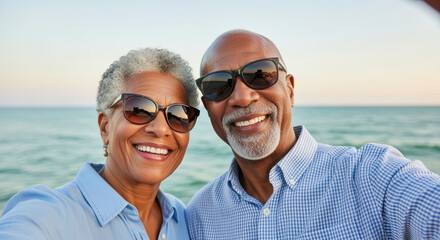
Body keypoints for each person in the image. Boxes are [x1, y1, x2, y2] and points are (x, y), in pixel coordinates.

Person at [186, 29, 440, 239]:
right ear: (208, 108)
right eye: (218, 85)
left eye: (260, 75)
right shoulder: (199, 214)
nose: (242, 97)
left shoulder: (373, 176)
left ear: (290, 90)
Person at [0, 48, 200, 240]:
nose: (161, 129)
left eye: (177, 115)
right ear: (105, 128)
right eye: (138, 109)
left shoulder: (183, 217)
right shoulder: (48, 214)